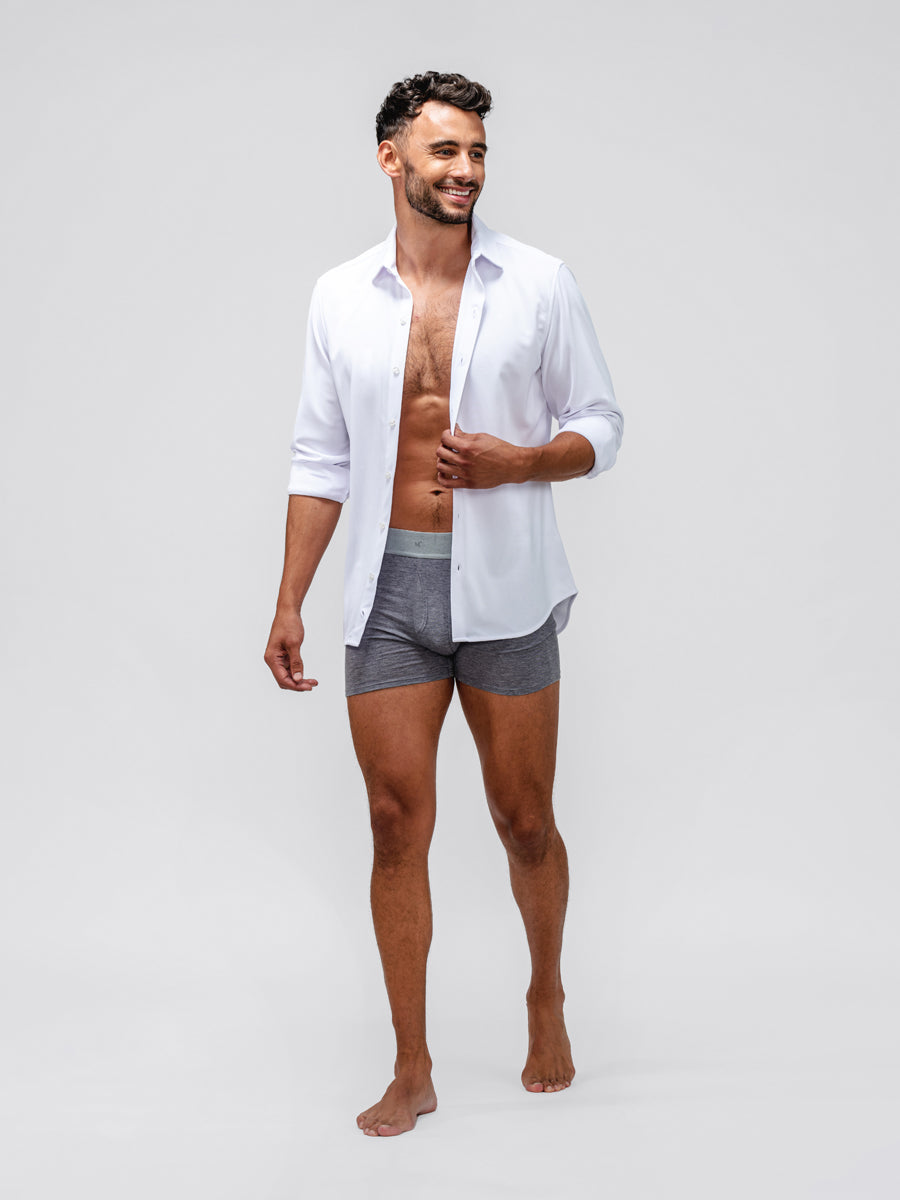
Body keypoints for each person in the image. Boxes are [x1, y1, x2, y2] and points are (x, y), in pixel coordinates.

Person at [264, 71, 623, 1137]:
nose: (466, 170)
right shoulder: (339, 295)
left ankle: (546, 993)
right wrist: (289, 600)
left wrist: (525, 463)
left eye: (477, 152)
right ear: (392, 159)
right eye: (445, 151)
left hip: (507, 587)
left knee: (525, 821)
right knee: (393, 825)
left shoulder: (539, 282)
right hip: (389, 590)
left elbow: (602, 423)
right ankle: (412, 1065)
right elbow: (321, 458)